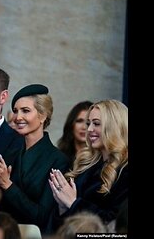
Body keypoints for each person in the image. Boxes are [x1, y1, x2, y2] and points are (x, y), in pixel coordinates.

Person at [0, 83, 69, 234]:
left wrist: (7, 184)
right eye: (16, 111)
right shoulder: (9, 153)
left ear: (43, 115)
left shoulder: (58, 160)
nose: (18, 117)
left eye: (26, 111)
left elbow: (42, 216)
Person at [48, 99, 128, 232]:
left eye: (96, 124)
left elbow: (116, 224)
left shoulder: (125, 171)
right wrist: (62, 207)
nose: (89, 129)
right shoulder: (87, 165)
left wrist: (74, 203)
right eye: (88, 123)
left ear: (115, 126)